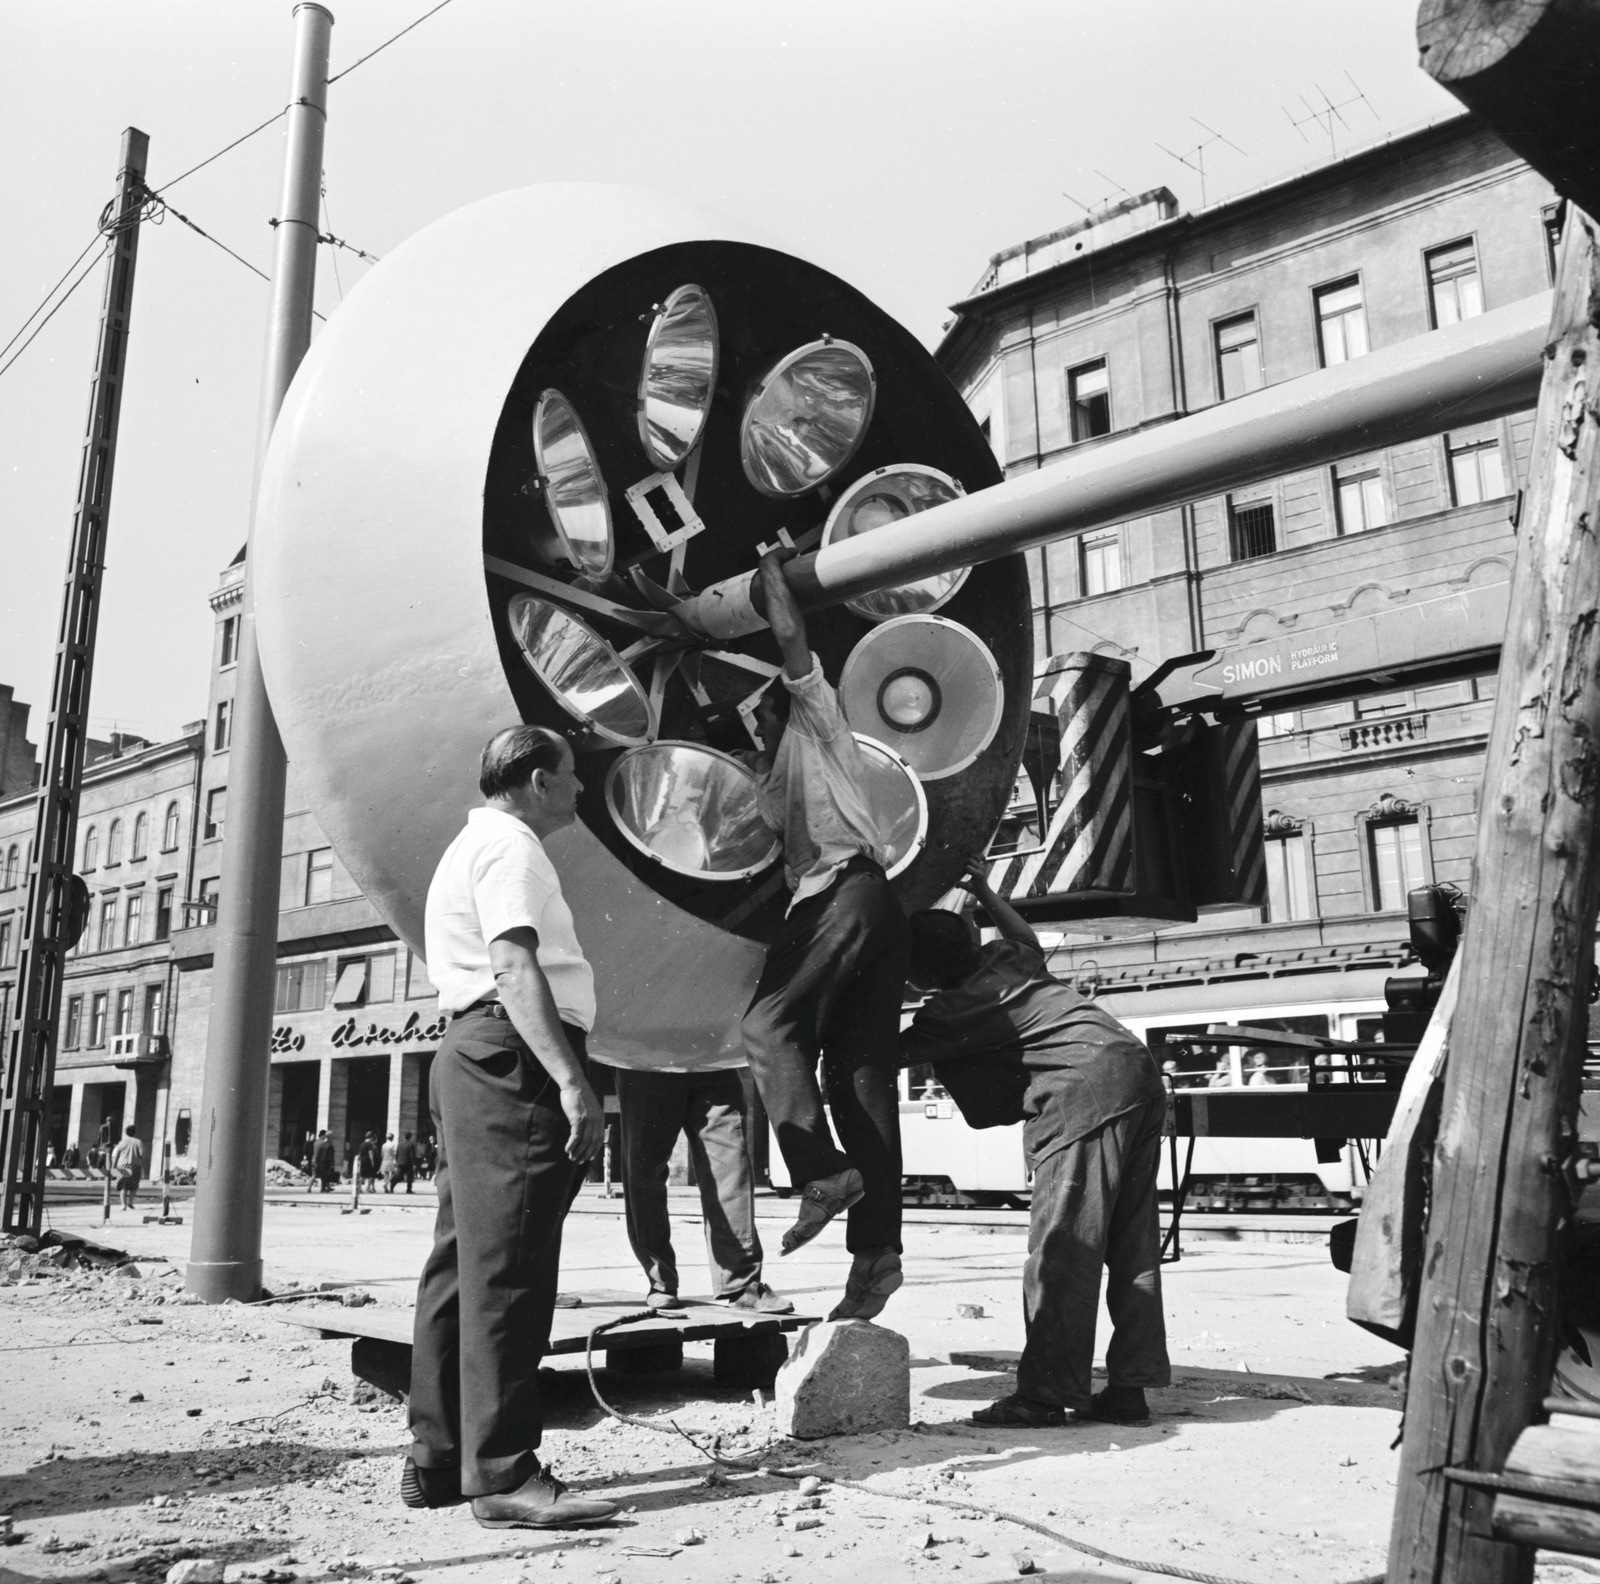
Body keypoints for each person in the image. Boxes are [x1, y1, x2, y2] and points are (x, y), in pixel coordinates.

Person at [405, 724, 615, 1529]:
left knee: (462, 1260)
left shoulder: (469, 846)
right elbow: (514, 964)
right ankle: (501, 1472)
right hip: (511, 1055)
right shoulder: (513, 848)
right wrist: (571, 1079)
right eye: (569, 776)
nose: (581, 790)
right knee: (512, 1266)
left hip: (472, 1049)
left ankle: (438, 1457)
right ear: (532, 778)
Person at [901, 864, 1171, 1429]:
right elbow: (1023, 935)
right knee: (1130, 1245)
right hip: (1137, 1074)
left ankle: (1045, 1397)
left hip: (1084, 1093)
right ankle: (1128, 1391)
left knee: (1062, 1250)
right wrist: (983, 890)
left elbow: (879, 1055)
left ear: (921, 977)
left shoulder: (951, 1011)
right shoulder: (1008, 960)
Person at [739, 549, 911, 1323]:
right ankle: (878, 1258)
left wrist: (771, 568)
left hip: (845, 893)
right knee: (858, 1083)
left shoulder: (819, 724)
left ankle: (820, 1175)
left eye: (761, 712)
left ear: (779, 708)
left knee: (768, 1024)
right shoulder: (774, 784)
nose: (758, 723)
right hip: (872, 907)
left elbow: (793, 646)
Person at [611, 1064, 792, 1315]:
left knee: (732, 1168)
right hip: (644, 1057)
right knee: (644, 1174)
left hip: (713, 1058)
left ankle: (742, 1285)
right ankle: (660, 1281)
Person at [110, 1125, 143, 1212]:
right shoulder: (138, 1142)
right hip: (135, 1165)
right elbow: (141, 1154)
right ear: (134, 1132)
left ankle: (123, 1205)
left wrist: (113, 1168)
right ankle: (130, 1202)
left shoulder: (121, 1142)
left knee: (123, 1186)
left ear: (126, 1132)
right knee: (134, 1185)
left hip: (122, 1165)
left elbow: (116, 1156)